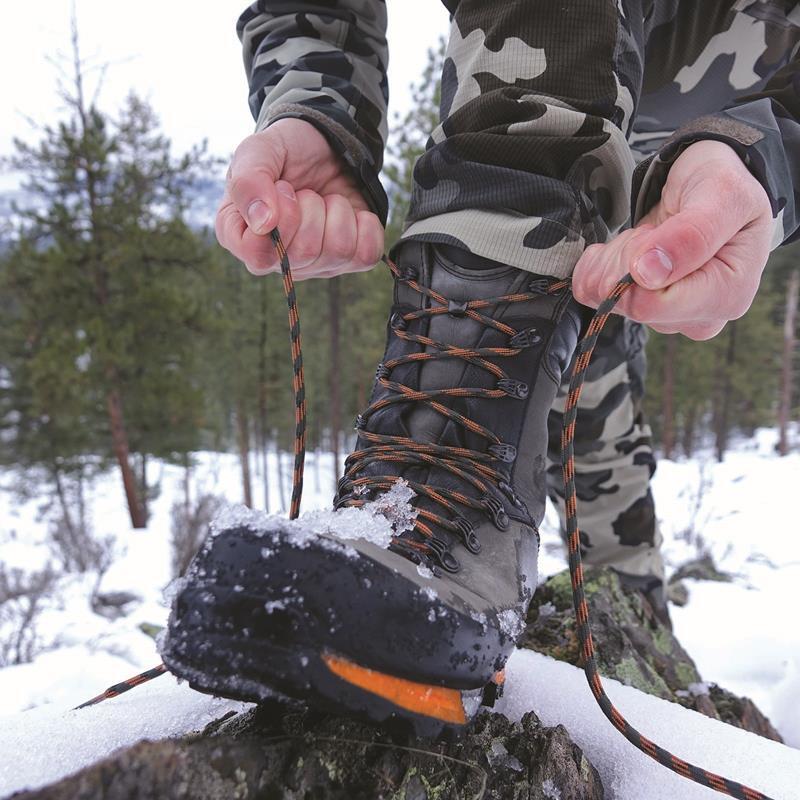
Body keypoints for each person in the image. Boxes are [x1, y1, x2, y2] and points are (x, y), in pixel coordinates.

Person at [160, 1, 799, 733]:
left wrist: (764, 158)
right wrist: (317, 107)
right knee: (549, 337)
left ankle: (618, 615)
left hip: (740, 87)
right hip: (545, 103)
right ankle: (409, 506)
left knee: (591, 385)